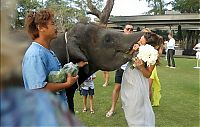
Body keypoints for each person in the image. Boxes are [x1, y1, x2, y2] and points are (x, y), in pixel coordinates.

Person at [22, 9, 88, 106]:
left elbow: (57, 75)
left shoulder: (48, 52)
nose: (55, 27)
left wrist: (76, 66)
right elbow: (38, 89)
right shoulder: (35, 55)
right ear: (41, 27)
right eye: (52, 24)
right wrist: (67, 84)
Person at [121, 32, 163, 126]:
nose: (139, 40)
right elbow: (124, 58)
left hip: (138, 82)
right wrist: (132, 51)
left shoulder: (152, 54)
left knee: (135, 108)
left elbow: (148, 74)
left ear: (147, 42)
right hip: (128, 78)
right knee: (128, 105)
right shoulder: (135, 46)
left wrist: (141, 67)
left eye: (142, 39)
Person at [106, 24, 134, 117]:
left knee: (130, 89)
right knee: (117, 88)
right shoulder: (119, 42)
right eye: (128, 29)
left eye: (131, 29)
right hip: (121, 68)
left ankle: (127, 106)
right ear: (124, 30)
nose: (129, 30)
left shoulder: (135, 41)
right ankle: (112, 108)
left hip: (131, 69)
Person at [142, 28, 161, 107]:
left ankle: (148, 105)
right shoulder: (141, 46)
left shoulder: (153, 48)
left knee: (147, 88)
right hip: (142, 68)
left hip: (150, 67)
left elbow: (158, 53)